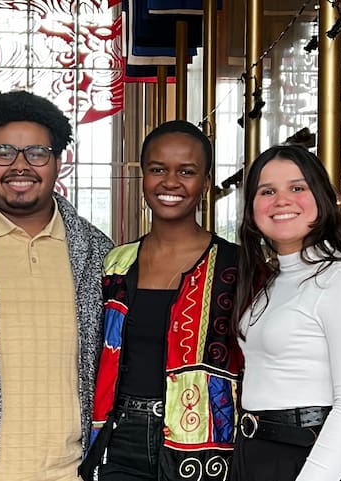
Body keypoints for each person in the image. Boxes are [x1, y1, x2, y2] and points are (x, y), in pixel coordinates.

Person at [0, 91, 114, 481]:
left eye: (37, 153)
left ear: (58, 163)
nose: (21, 166)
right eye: (4, 152)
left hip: (71, 473)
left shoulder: (98, 253)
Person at [79, 121, 242, 481]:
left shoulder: (238, 266)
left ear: (205, 180)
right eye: (157, 170)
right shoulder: (115, 264)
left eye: (186, 171)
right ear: (143, 177)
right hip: (118, 439)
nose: (171, 182)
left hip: (205, 447)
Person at [231, 145, 341, 481]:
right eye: (267, 191)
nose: (282, 200)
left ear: (322, 199)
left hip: (313, 459)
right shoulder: (271, 281)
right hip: (256, 453)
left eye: (297, 188)